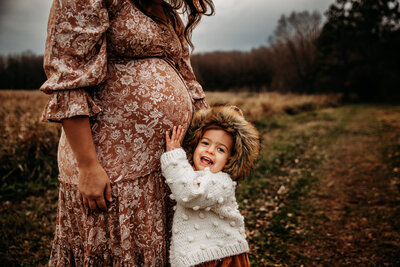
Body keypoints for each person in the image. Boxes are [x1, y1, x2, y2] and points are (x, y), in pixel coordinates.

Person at [40, 0, 214, 265]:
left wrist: (213, 131)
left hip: (166, 164)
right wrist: (87, 165)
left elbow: (186, 78)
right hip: (114, 169)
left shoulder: (163, 9)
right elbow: (69, 78)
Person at [161, 106, 260, 267]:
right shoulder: (189, 171)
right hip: (199, 255)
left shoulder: (221, 182)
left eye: (221, 149)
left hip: (219, 255)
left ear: (229, 160)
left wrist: (174, 157)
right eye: (205, 143)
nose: (210, 150)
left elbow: (190, 193)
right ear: (195, 145)